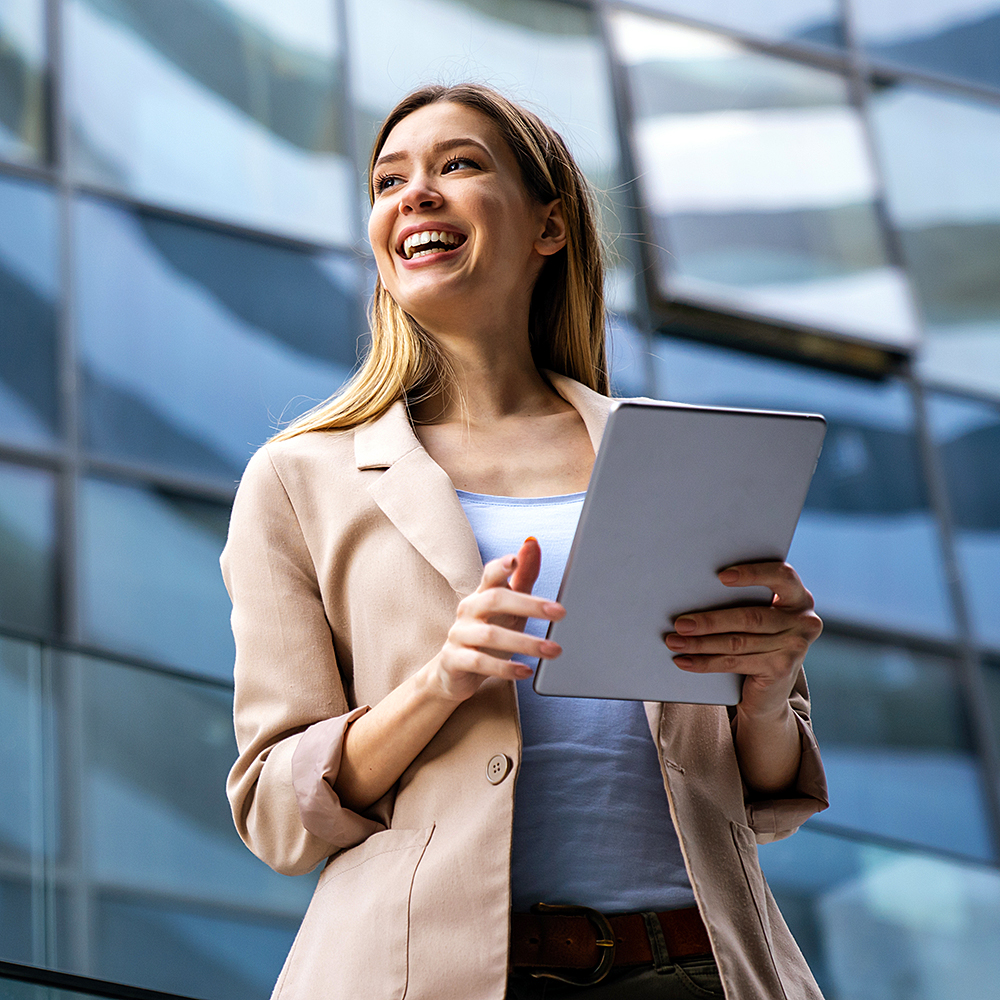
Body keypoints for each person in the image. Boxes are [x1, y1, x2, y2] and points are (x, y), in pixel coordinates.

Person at [222, 83, 829, 1000]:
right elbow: (276, 812)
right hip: (425, 976)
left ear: (549, 227)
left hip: (700, 970)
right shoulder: (300, 478)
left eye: (457, 166)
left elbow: (765, 800)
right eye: (389, 182)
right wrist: (440, 682)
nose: (414, 195)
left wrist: (768, 686)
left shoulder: (680, 457)